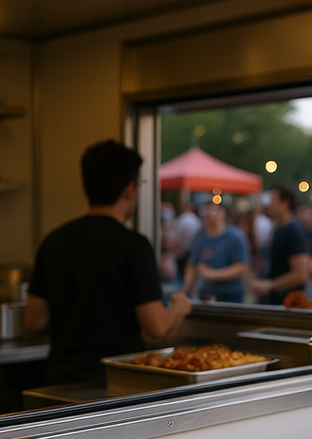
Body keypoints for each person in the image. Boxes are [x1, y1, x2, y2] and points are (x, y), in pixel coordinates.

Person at [25, 140, 191, 385]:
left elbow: (34, 320)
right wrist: (179, 306)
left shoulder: (54, 240)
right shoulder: (133, 246)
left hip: (60, 382)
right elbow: (156, 327)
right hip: (115, 384)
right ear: (130, 189)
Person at [249, 185, 310, 305]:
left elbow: (301, 275)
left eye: (273, 200)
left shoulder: (293, 231)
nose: (269, 205)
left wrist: (271, 285)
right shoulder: (278, 228)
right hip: (274, 302)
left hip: (286, 304)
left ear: (285, 203)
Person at [182, 203, 249, 303]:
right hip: (206, 294)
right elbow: (191, 265)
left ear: (223, 214)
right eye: (207, 210)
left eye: (214, 210)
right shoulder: (200, 238)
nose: (209, 214)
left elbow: (241, 267)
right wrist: (184, 291)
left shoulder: (235, 236)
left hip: (230, 295)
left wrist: (212, 274)